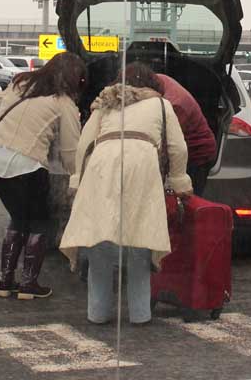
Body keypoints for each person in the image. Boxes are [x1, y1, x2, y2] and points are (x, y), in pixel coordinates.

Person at [60, 62, 193, 325]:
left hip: (102, 162)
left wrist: (77, 179)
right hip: (142, 162)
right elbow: (178, 148)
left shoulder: (107, 101)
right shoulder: (161, 105)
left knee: (100, 235)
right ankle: (140, 314)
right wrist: (180, 182)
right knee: (140, 236)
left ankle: (97, 313)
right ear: (153, 83)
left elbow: (85, 143)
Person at [0, 52, 87, 300]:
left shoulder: (20, 84)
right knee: (40, 221)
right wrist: (79, 179)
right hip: (26, 165)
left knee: (18, 218)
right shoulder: (63, 103)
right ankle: (29, 284)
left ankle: (5, 282)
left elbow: (1, 119)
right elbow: (71, 151)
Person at [155, 73, 216, 195]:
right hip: (193, 148)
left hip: (197, 154)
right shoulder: (159, 79)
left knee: (187, 201)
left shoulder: (174, 105)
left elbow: (168, 143)